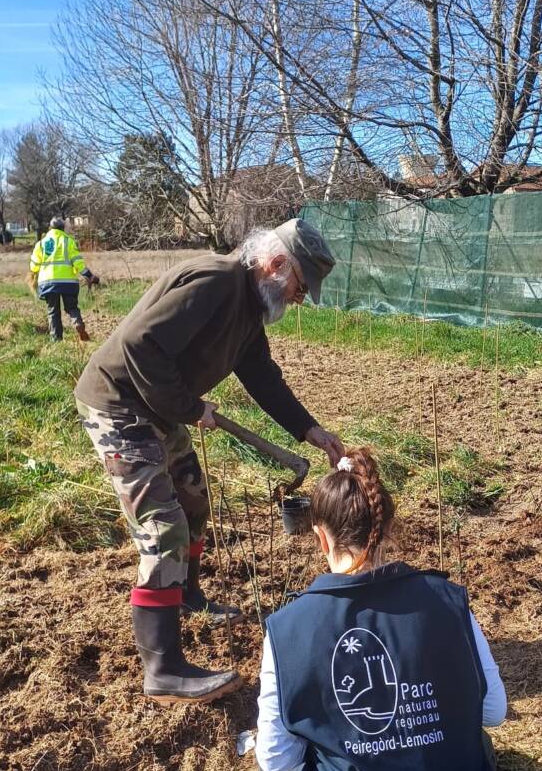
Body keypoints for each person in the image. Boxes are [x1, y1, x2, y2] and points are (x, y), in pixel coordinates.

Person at [74, 219, 346, 705]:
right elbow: (142, 345)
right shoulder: (215, 282)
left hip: (157, 407)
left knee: (195, 504)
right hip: (118, 406)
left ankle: (187, 596)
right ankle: (163, 668)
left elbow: (263, 376)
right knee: (164, 529)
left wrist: (309, 429)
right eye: (302, 286)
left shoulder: (249, 307)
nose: (301, 299)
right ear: (276, 263)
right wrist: (190, 408)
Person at [239, 448, 506, 771]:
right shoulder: (447, 599)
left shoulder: (287, 629)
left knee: (264, 752)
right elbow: (493, 710)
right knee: (476, 736)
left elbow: (279, 758)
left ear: (320, 536)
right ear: (385, 528)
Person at [29, 216, 99, 342]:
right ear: (63, 228)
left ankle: (56, 339)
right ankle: (77, 322)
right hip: (68, 282)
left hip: (48, 282)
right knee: (72, 307)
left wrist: (33, 273)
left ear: (50, 228)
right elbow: (78, 262)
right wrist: (89, 275)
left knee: (53, 311)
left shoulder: (41, 243)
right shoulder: (68, 241)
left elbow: (34, 263)